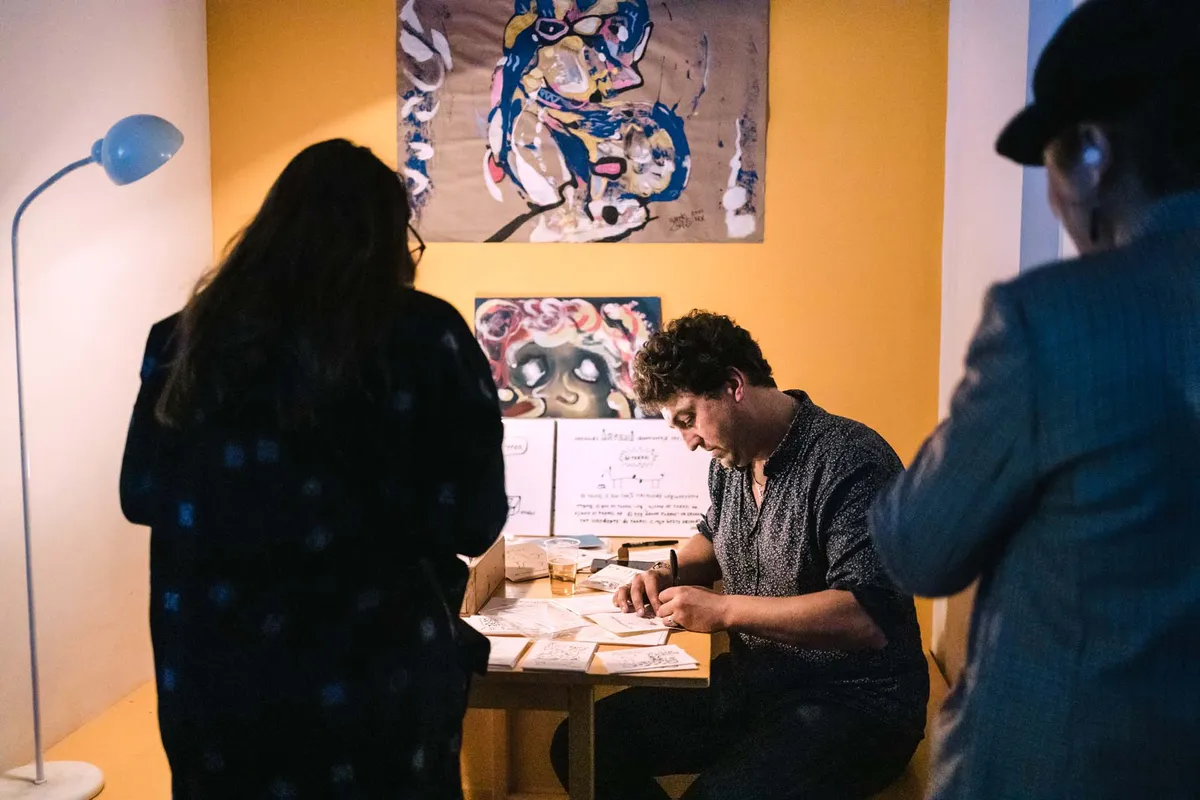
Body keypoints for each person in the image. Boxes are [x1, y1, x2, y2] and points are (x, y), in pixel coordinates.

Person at [868, 1, 1200, 797]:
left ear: (1092, 153)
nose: (1053, 199)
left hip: (1070, 762)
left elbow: (918, 549)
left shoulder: (1054, 318)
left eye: (1048, 164)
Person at [119, 139, 507, 798]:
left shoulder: (184, 338)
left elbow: (141, 493)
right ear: (389, 239)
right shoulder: (423, 336)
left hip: (219, 686)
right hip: (376, 685)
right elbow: (475, 519)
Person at [550, 311, 929, 800]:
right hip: (759, 685)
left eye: (688, 419)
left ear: (733, 385)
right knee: (582, 745)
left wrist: (725, 610)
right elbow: (715, 536)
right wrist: (665, 572)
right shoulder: (732, 460)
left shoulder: (850, 459)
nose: (688, 442)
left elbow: (866, 617)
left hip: (857, 703)